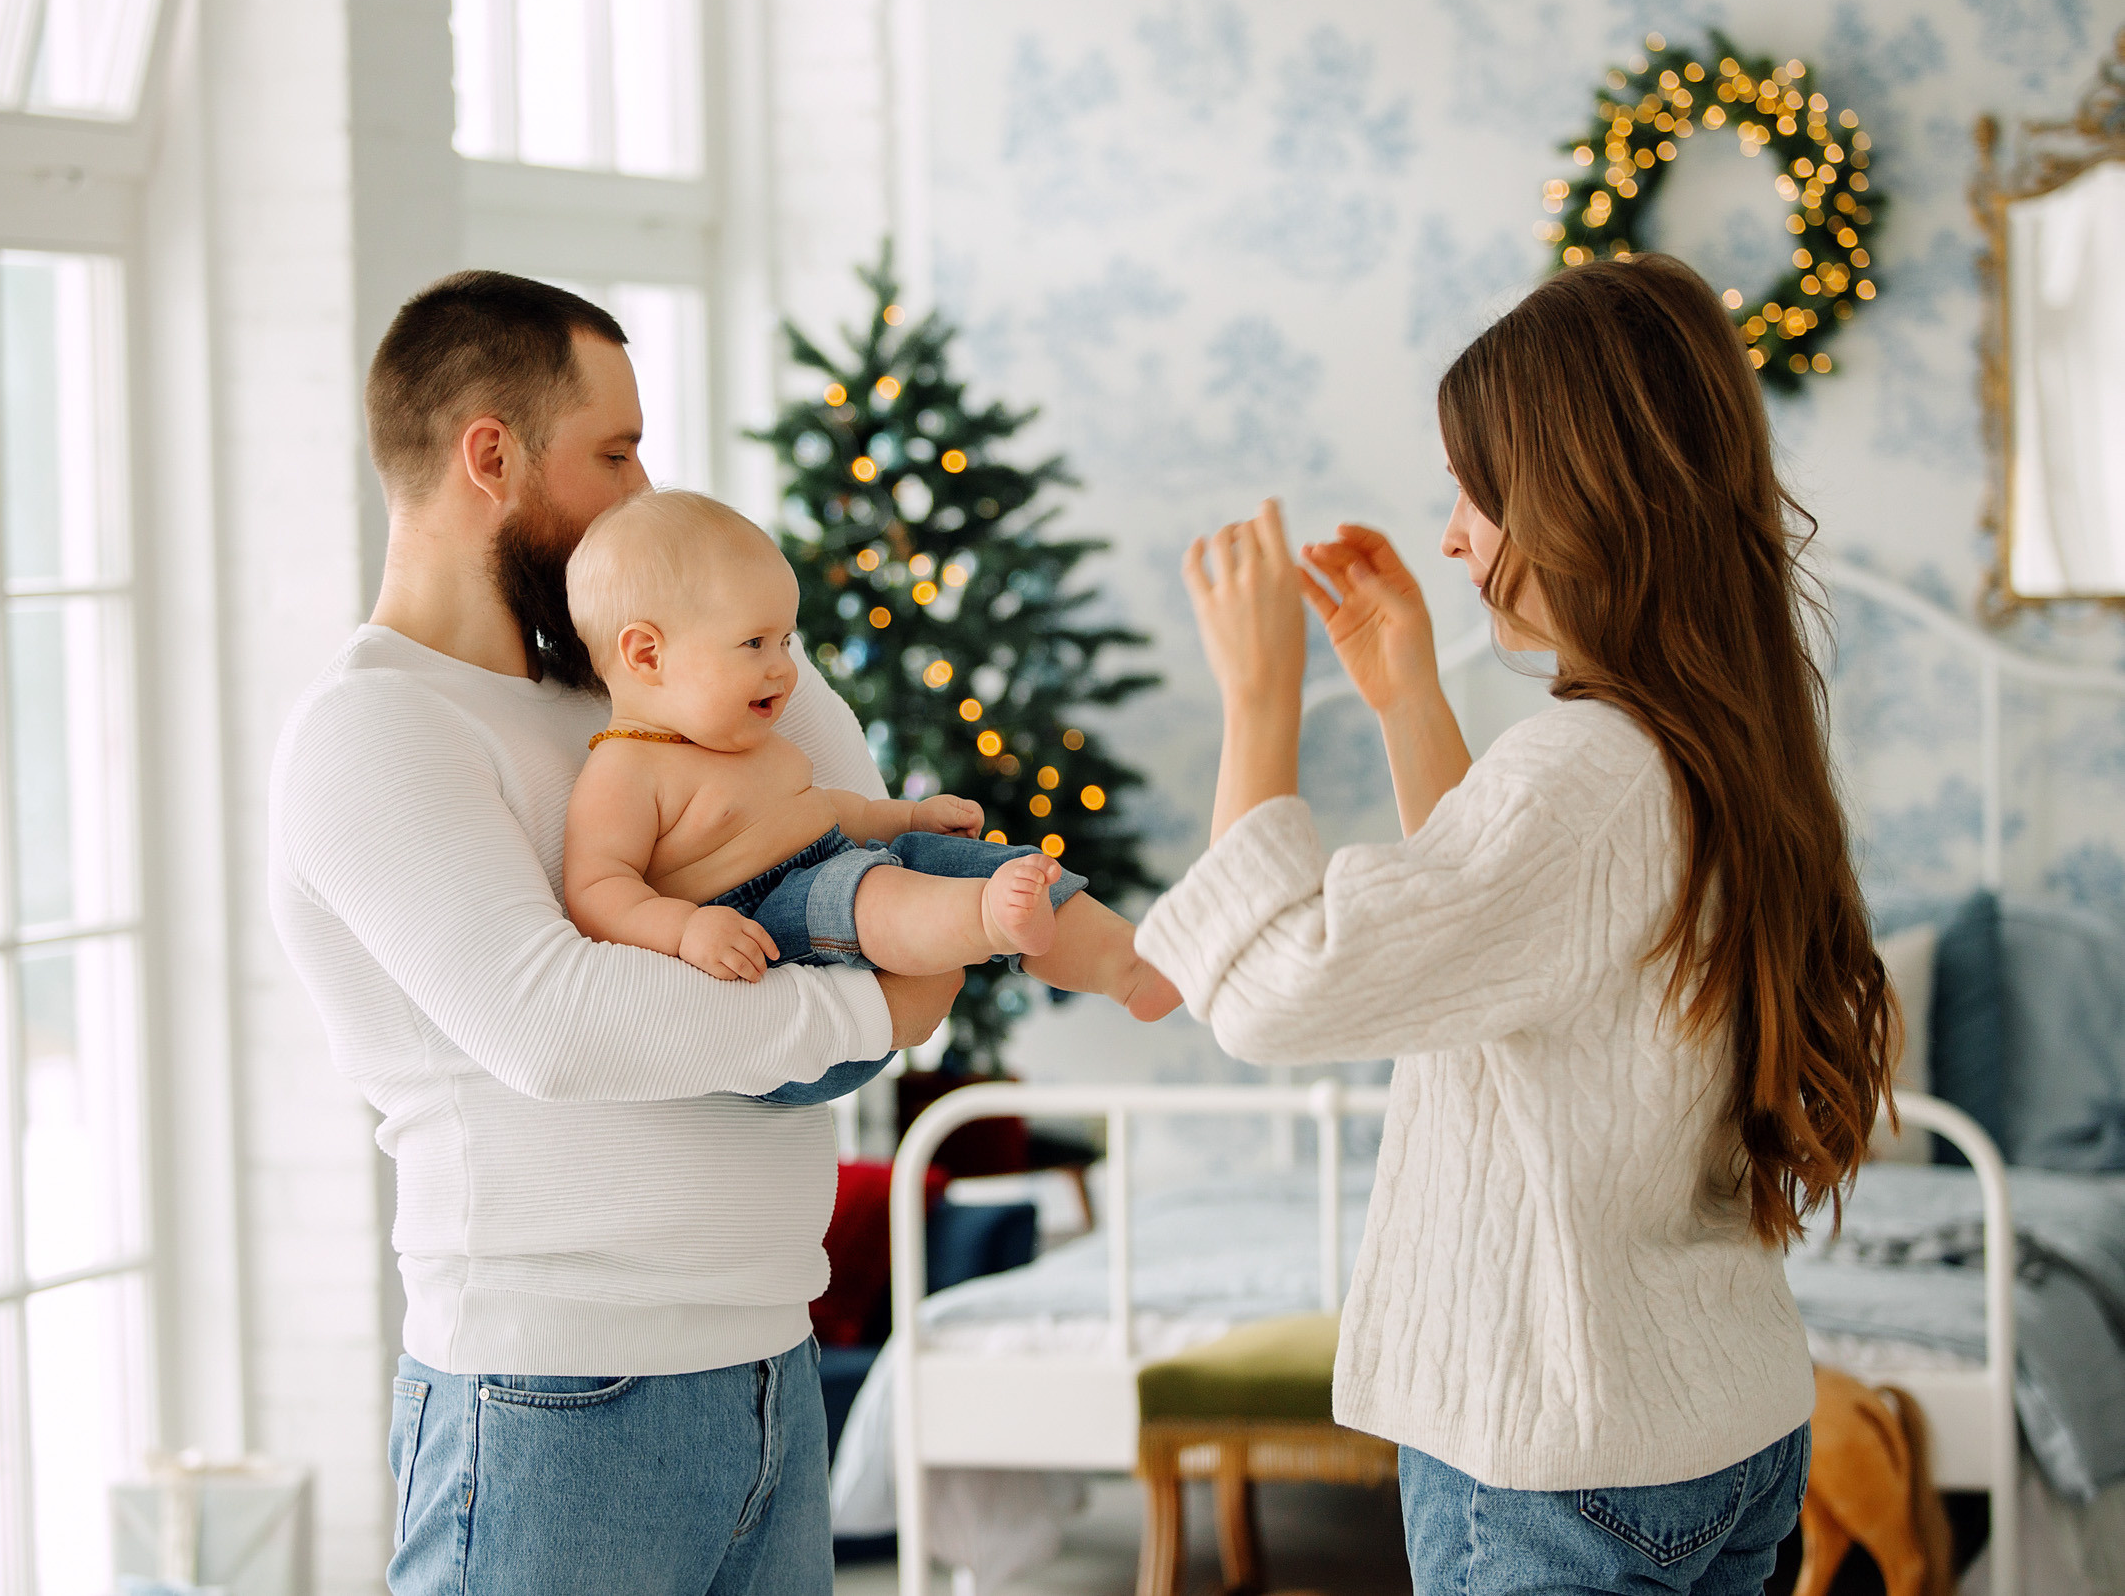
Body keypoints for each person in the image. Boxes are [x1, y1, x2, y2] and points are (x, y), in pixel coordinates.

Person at [1138, 252, 1898, 1595]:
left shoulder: (1583, 774)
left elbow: (1273, 993)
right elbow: (1493, 958)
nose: (1452, 537)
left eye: (1474, 496)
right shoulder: (1714, 744)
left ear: (1581, 502)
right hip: (1718, 1417)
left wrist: (1258, 702)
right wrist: (1404, 693)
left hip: (1563, 1452)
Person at [268, 271, 964, 1595]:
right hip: (555, 1394)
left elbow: (840, 829)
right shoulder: (379, 726)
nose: (646, 495)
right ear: (492, 455)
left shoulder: (623, 683)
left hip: (767, 1356)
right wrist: (882, 1012)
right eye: (614, 452)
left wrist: (724, 613)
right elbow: (559, 1022)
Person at [559, 491, 1179, 1098]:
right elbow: (598, 889)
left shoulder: (750, 742)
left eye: (785, 641)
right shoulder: (624, 769)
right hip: (770, 951)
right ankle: (990, 920)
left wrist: (907, 816)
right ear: (647, 655)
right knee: (866, 887)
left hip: (843, 881)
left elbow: (834, 812)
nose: (784, 668)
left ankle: (1129, 967)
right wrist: (686, 930)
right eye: (755, 644)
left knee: (985, 863)